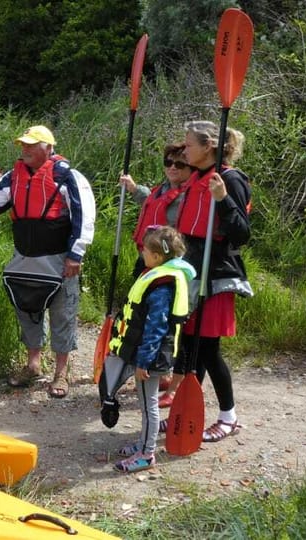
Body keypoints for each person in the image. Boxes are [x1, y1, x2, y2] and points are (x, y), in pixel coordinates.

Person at [0, 125, 96, 398]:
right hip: (25, 256)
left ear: (48, 148)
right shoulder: (12, 176)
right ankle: (33, 365)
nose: (25, 149)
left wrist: (76, 254)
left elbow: (84, 216)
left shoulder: (68, 176)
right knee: (27, 307)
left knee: (63, 313)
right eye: (23, 144)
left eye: (31, 144)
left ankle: (62, 373)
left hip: (59, 257)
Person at [174, 120, 253, 443]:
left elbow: (241, 233)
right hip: (193, 268)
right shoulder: (197, 177)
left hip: (216, 272)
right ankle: (188, 411)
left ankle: (229, 416)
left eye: (189, 144)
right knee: (191, 347)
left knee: (208, 349)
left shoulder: (229, 180)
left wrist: (222, 198)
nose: (184, 149)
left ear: (208, 146)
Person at [108, 225, 194, 472]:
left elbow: (156, 327)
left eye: (144, 249)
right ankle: (143, 444)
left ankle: (147, 454)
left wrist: (144, 361)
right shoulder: (159, 275)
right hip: (148, 354)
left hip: (152, 357)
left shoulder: (163, 286)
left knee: (149, 405)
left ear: (157, 256)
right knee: (146, 403)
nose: (141, 252)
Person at [119, 143, 192, 409]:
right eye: (169, 162)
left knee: (170, 326)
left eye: (180, 164)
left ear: (191, 167)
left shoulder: (188, 195)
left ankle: (175, 386)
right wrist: (135, 189)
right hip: (148, 263)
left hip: (168, 269)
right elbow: (151, 202)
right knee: (141, 316)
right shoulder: (163, 189)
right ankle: (158, 371)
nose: (172, 167)